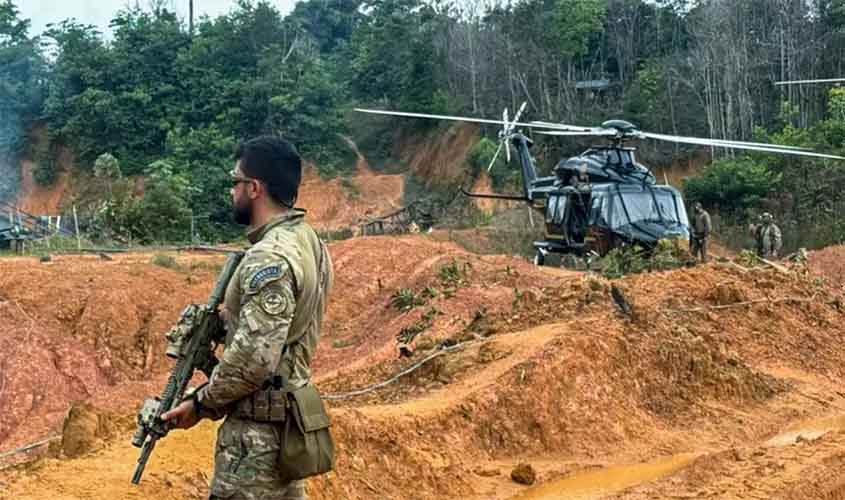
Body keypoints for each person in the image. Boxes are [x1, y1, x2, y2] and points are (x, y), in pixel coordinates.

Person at [162, 136, 334, 500]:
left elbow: (254, 359)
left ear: (254, 188)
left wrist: (201, 403)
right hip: (287, 430)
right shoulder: (309, 242)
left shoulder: (268, 257)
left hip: (255, 445)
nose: (232, 191)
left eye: (235, 181)